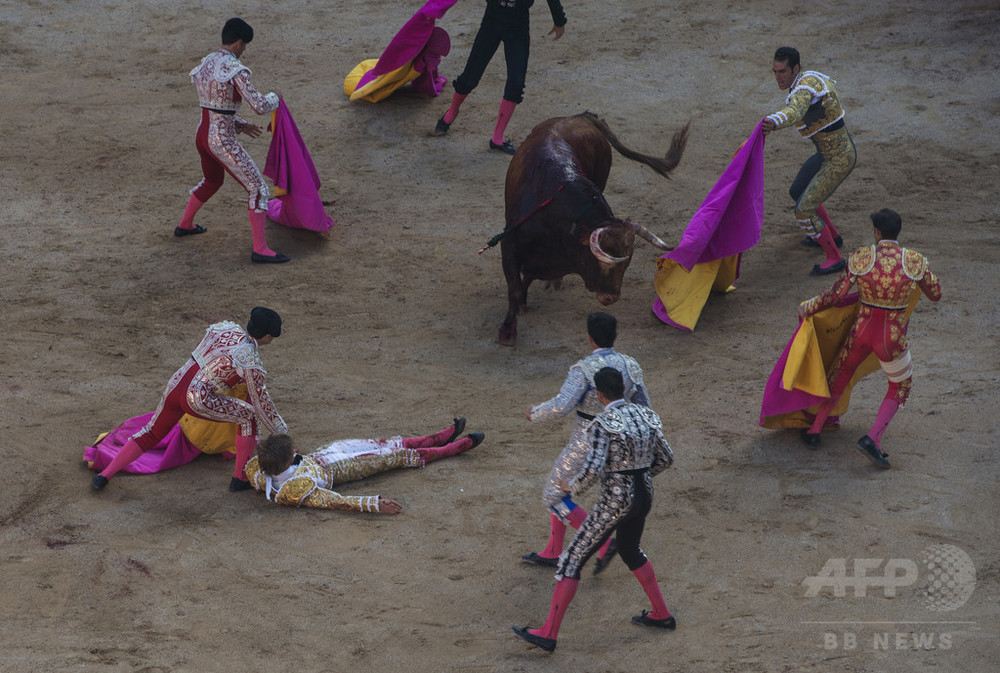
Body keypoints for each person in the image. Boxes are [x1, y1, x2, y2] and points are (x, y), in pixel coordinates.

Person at [512, 367, 676, 653]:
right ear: (624, 388)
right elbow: (666, 458)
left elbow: (592, 469)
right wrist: (641, 474)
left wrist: (569, 488)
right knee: (631, 550)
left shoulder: (602, 423)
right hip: (645, 495)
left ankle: (548, 633)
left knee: (572, 560)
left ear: (599, 395)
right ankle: (661, 614)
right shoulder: (646, 416)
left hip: (615, 500)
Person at [797, 208, 942, 467]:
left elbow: (835, 296)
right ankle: (873, 438)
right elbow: (936, 293)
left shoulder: (861, 257)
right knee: (900, 385)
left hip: (861, 332)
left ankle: (815, 430)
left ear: (876, 232)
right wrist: (916, 278)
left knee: (841, 374)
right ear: (898, 231)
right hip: (891, 337)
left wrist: (809, 306)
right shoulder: (914, 261)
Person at [91, 307, 287, 492]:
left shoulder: (225, 328)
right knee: (249, 417)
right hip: (198, 398)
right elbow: (262, 403)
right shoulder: (250, 360)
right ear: (267, 336)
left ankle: (104, 476)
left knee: (151, 432)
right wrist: (282, 433)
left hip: (177, 382)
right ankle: (239, 479)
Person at [522, 312, 649, 574]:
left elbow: (560, 406)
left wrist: (534, 412)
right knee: (562, 489)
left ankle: (603, 544)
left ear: (590, 338)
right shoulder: (630, 365)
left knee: (553, 495)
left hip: (586, 441)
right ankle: (554, 550)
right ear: (615, 335)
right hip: (621, 443)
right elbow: (643, 407)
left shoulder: (585, 370)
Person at [176, 17, 290, 264]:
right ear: (239, 43)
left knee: (212, 180)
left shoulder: (207, 62)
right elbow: (259, 105)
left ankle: (185, 224)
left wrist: (240, 123)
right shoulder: (236, 69)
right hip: (221, 141)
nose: (244, 50)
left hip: (202, 136)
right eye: (245, 46)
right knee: (258, 189)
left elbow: (215, 106)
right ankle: (260, 249)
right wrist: (276, 97)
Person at [761, 46, 856, 276]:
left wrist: (773, 121)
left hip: (838, 159)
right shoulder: (806, 81)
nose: (778, 77)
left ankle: (834, 258)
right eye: (775, 71)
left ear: (796, 68)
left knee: (803, 210)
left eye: (782, 71)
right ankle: (831, 235)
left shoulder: (804, 89)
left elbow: (795, 111)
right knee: (798, 191)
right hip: (826, 154)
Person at [245, 421, 484, 512]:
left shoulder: (259, 465)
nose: (296, 452)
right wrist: (374, 504)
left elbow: (255, 474)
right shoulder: (295, 489)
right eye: (291, 454)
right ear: (287, 460)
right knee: (396, 456)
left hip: (329, 452)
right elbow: (334, 501)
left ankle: (443, 434)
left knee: (384, 443)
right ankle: (455, 447)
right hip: (344, 468)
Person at [432, 0, 567, 155]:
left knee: (516, 83)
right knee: (470, 76)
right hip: (492, 21)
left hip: (518, 25)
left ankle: (497, 138)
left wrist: (559, 20)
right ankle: (451, 111)